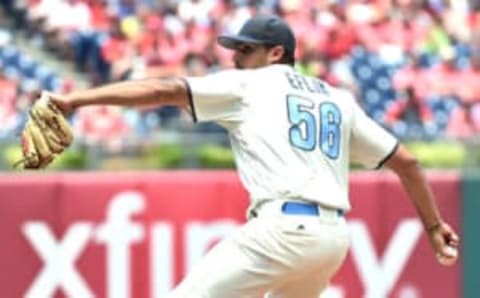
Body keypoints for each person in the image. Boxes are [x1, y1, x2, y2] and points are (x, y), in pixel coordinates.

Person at [46, 14, 459, 298]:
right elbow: (407, 163)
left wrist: (75, 100)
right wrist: (434, 225)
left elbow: (162, 90)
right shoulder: (337, 99)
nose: (235, 58)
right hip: (332, 239)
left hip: (282, 229)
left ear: (275, 53)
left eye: (246, 50)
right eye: (235, 50)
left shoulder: (251, 87)